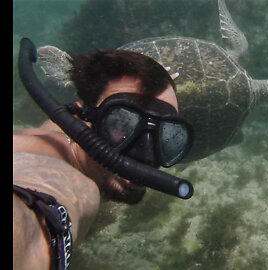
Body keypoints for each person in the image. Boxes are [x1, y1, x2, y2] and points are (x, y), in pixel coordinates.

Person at [13, 44, 193, 270]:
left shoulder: (57, 132)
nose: (145, 156)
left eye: (165, 135)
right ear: (82, 120)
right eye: (122, 123)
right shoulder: (75, 185)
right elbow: (29, 222)